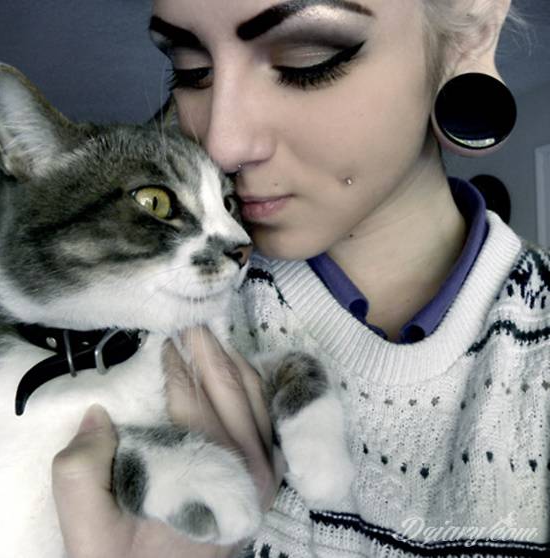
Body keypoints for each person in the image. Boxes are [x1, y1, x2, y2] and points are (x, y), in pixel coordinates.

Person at [51, 1, 550, 556]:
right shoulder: (115, 311)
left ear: (472, 29)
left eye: (305, 61)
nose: (222, 145)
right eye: (192, 72)